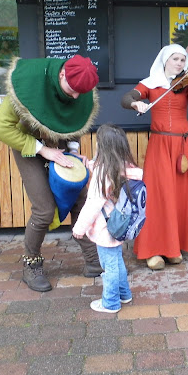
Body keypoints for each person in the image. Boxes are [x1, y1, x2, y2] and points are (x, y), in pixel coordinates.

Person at [0, 54, 101, 292]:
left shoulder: (80, 89)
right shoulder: (27, 83)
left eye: (79, 94)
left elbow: (73, 120)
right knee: (43, 210)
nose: (74, 97)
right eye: (71, 90)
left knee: (80, 199)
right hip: (29, 146)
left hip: (60, 146)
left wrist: (73, 150)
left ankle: (93, 261)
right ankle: (31, 266)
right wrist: (43, 150)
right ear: (62, 73)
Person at [121, 44, 188, 270]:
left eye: (182, 60)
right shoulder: (151, 82)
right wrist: (135, 102)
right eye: (175, 59)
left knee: (178, 195)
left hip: (183, 146)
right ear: (165, 60)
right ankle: (153, 250)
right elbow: (126, 97)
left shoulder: (186, 84)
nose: (179, 63)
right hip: (160, 145)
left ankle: (173, 248)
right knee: (158, 197)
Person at [72, 124, 142, 313]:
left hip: (106, 227)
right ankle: (124, 293)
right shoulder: (127, 167)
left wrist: (79, 228)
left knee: (109, 266)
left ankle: (110, 302)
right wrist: (89, 164)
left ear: (102, 148)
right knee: (117, 260)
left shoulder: (103, 175)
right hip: (120, 223)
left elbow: (93, 203)